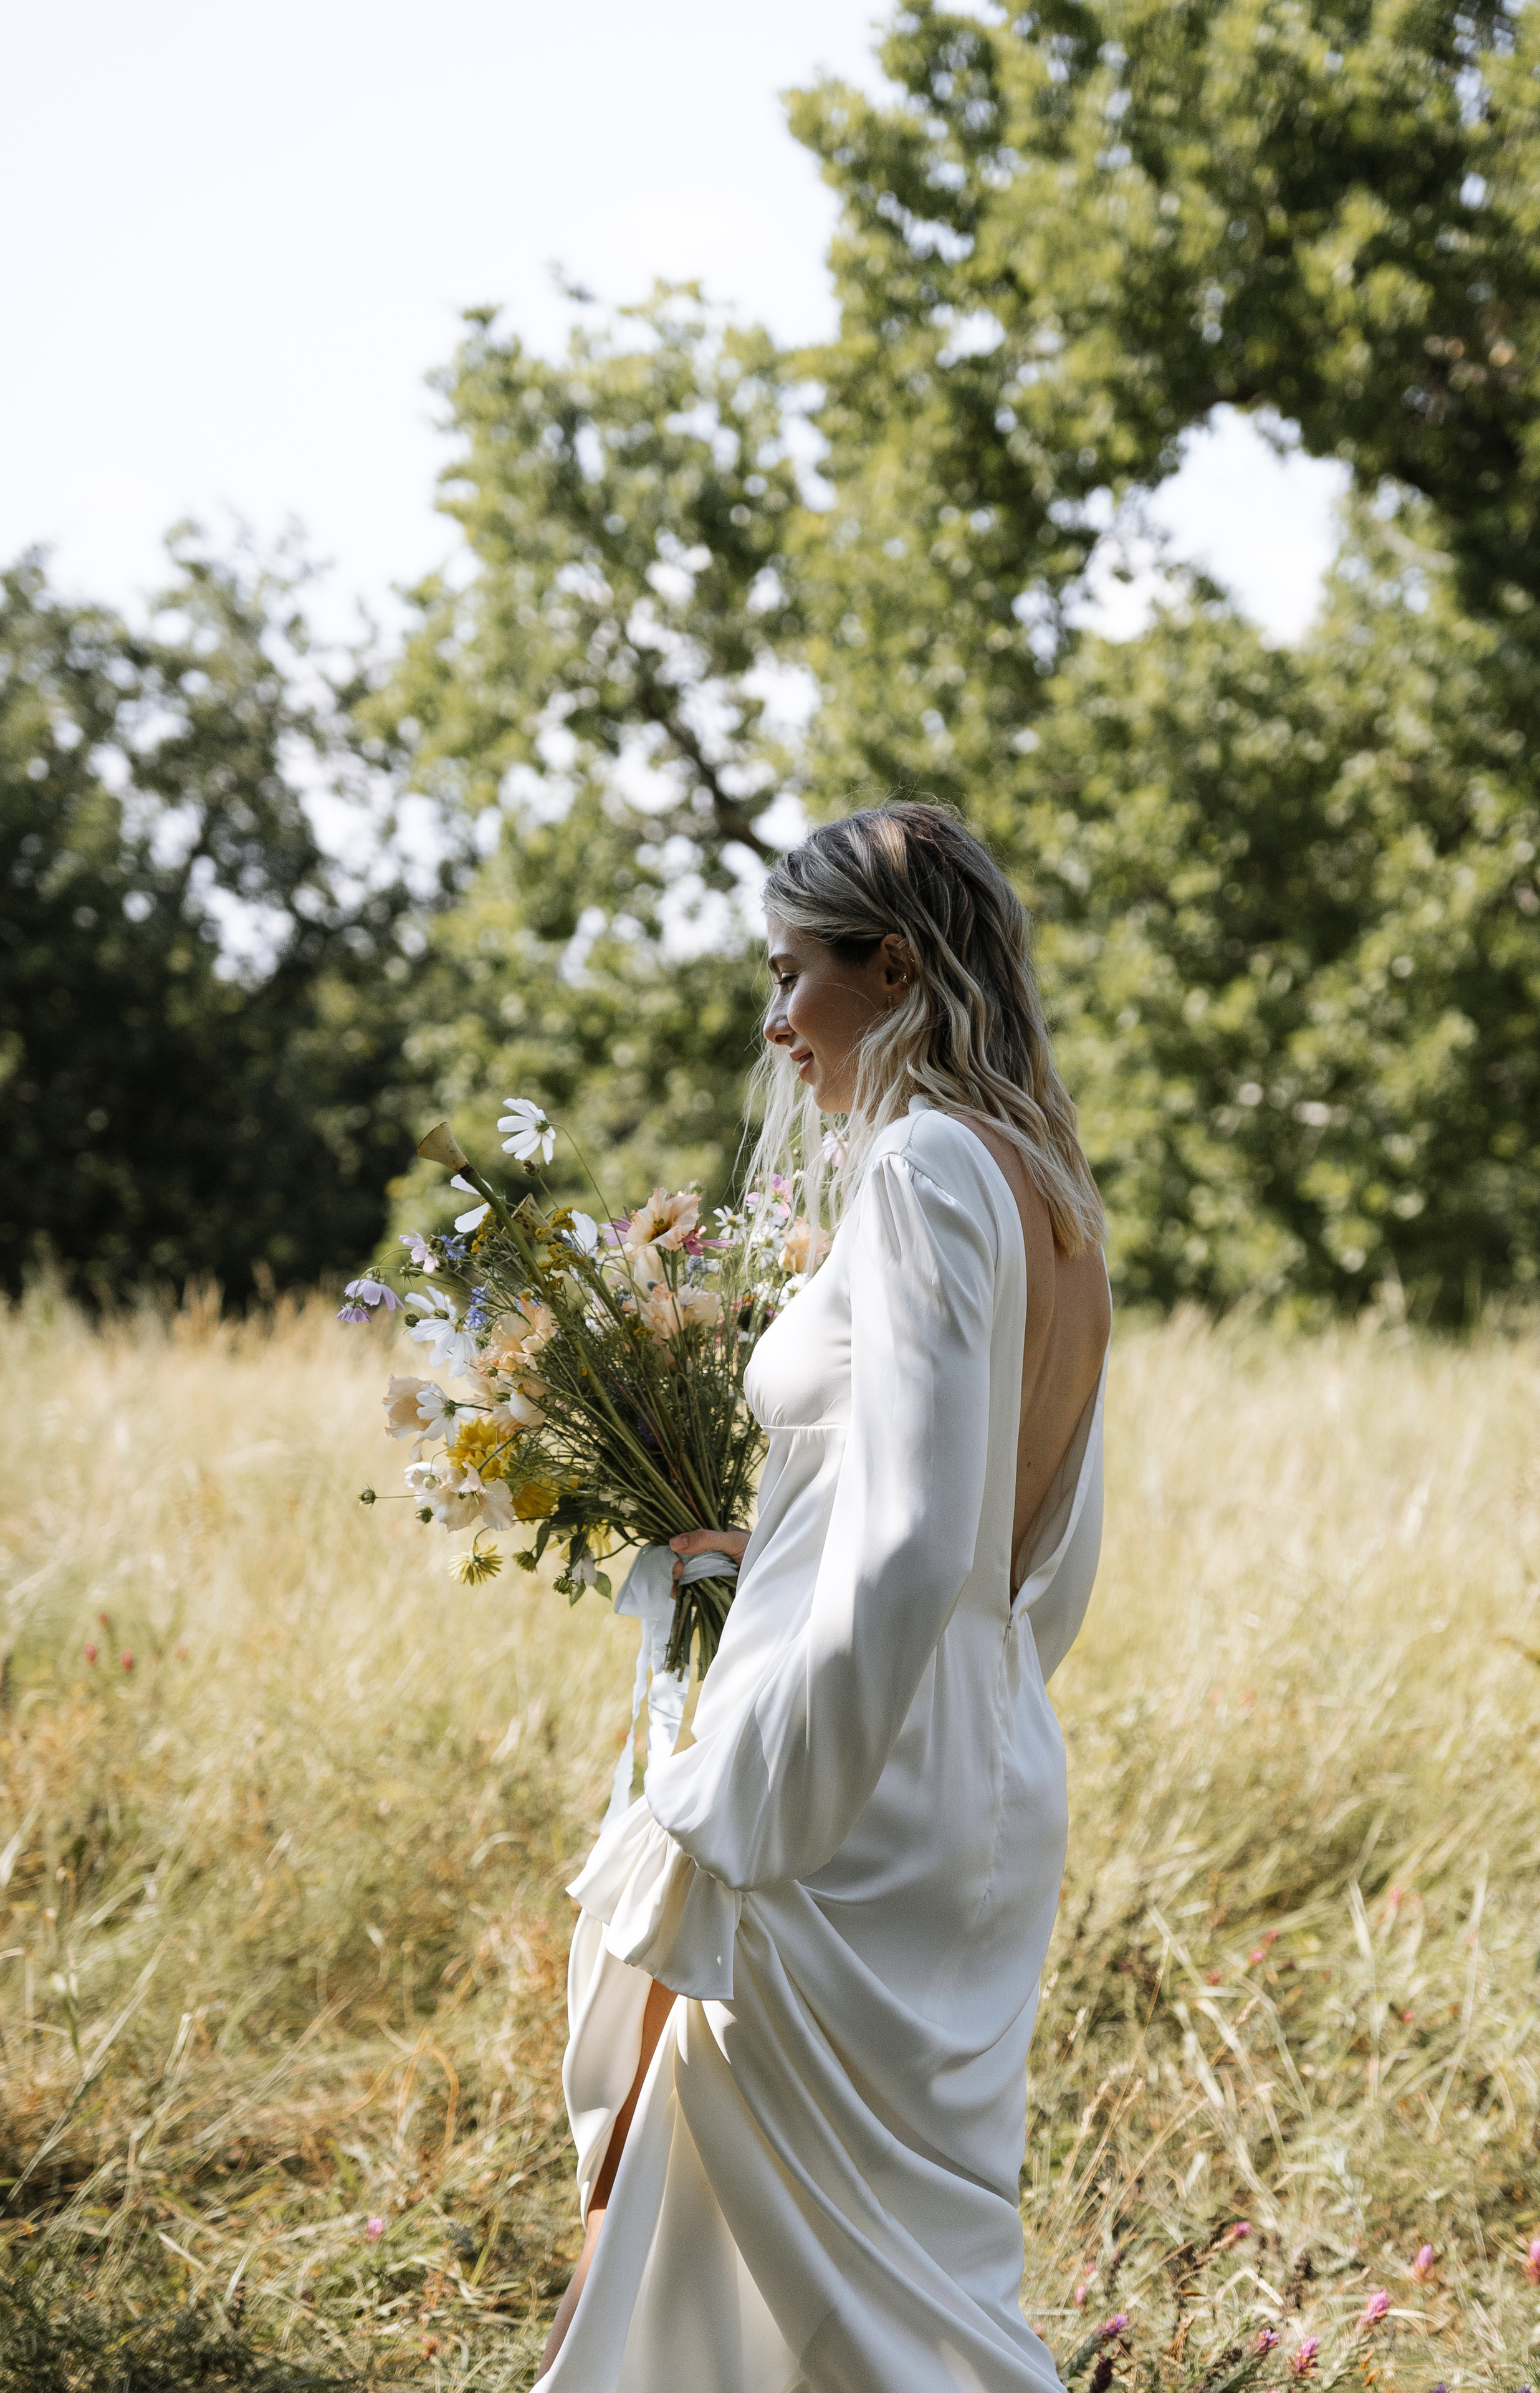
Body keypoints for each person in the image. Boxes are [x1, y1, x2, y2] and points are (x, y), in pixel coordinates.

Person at [535, 800, 1112, 2392]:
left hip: (843, 1802)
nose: (776, 1023)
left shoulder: (925, 1166)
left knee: (849, 2315)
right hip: (976, 1765)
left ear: (898, 970)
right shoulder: (1052, 1194)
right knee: (898, 2290)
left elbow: (918, 1540)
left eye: (794, 975)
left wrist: (749, 1805)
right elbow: (1038, 1556)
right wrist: (767, 1568)